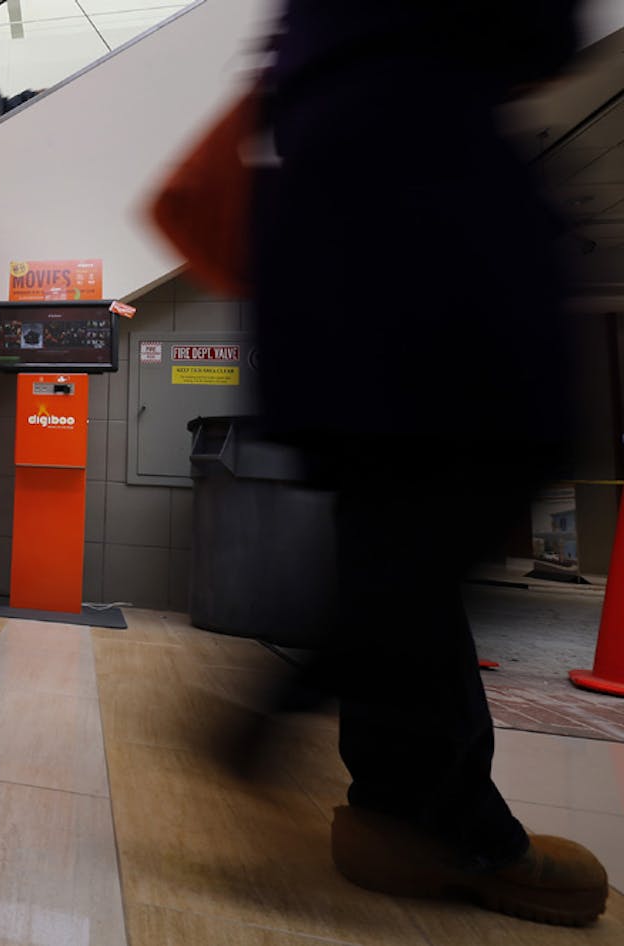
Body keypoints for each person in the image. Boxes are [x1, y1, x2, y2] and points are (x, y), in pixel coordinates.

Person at [247, 0, 608, 926]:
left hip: (320, 207)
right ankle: (441, 816)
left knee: (387, 505)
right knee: (488, 465)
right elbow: (536, 34)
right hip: (429, 180)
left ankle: (396, 807)